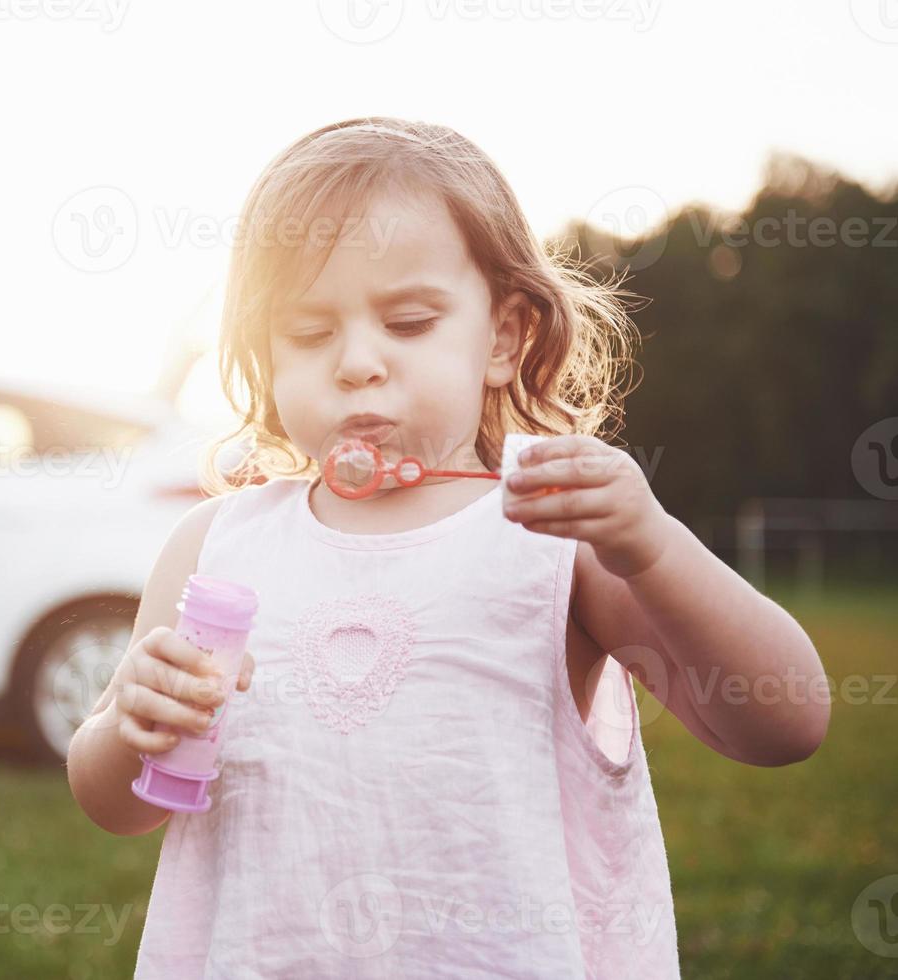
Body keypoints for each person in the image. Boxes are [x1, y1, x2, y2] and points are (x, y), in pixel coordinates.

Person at [65, 117, 830, 978]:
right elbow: (116, 807)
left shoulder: (554, 543)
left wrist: (651, 547)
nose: (357, 362)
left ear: (501, 339)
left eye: (410, 320)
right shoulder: (215, 546)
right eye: (309, 334)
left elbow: (783, 722)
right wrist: (126, 725)